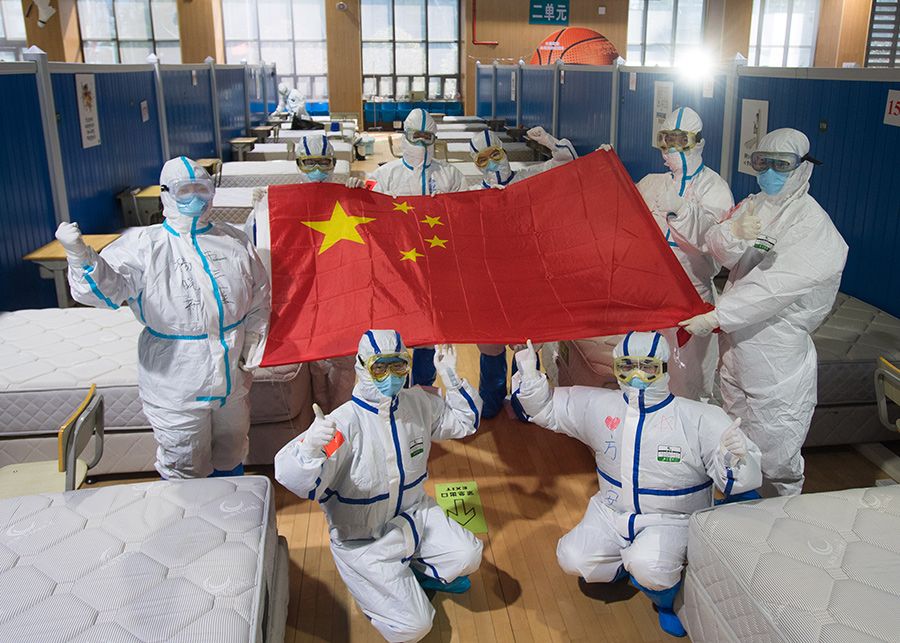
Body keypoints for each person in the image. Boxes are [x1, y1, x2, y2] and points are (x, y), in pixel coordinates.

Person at [512, 332, 761, 637]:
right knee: (573, 557)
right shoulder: (599, 404)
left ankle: (667, 601)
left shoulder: (697, 417)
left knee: (651, 568)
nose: (637, 375)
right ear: (615, 368)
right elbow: (546, 409)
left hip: (672, 518)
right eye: (626, 366)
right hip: (611, 511)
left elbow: (739, 486)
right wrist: (528, 372)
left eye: (648, 366)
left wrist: (734, 459)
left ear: (665, 369)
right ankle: (619, 563)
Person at [55, 157, 270, 479]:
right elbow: (105, 293)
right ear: (167, 193)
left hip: (232, 374)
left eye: (203, 189)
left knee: (233, 446)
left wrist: (252, 341)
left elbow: (260, 296)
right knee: (185, 460)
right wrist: (81, 256)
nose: (196, 198)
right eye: (186, 191)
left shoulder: (234, 240)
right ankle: (190, 521)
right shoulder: (143, 245)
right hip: (176, 380)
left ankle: (232, 514)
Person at [275, 331, 483, 643]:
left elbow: (465, 422)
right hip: (363, 540)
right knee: (414, 627)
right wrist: (308, 452)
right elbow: (295, 479)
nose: (391, 377)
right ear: (362, 368)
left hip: (415, 518)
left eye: (398, 366)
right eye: (379, 368)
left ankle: (413, 571)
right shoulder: (342, 423)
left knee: (469, 555)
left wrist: (452, 379)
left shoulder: (418, 404)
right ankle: (370, 583)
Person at [679, 128, 848, 497]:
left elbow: (773, 288)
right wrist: (734, 233)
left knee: (775, 451)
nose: (770, 172)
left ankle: (778, 519)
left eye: (780, 165)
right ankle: (738, 514)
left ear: (802, 168)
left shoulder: (813, 225)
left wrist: (717, 316)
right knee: (734, 439)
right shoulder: (755, 203)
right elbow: (718, 249)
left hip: (776, 355)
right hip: (737, 347)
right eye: (762, 163)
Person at [468, 126, 577, 419]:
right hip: (490, 280)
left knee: (526, 346)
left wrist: (551, 142)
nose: (492, 162)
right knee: (490, 347)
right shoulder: (469, 196)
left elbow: (567, 164)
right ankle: (490, 402)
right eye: (482, 159)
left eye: (496, 154)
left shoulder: (529, 179)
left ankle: (525, 402)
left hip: (528, 279)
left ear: (503, 152)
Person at [639, 107, 734, 401]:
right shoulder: (652, 183)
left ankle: (685, 439)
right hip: (649, 291)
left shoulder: (715, 189)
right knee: (644, 367)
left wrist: (682, 210)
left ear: (698, 143)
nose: (670, 149)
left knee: (688, 378)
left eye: (680, 141)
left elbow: (714, 242)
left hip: (691, 294)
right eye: (665, 140)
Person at [368, 108, 467, 386]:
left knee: (428, 330)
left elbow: (470, 214)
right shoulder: (385, 175)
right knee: (396, 328)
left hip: (436, 267)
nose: (422, 143)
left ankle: (424, 388)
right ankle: (396, 389)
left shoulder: (451, 175)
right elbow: (366, 220)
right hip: (396, 268)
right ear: (405, 136)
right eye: (416, 136)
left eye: (427, 137)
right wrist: (356, 193)